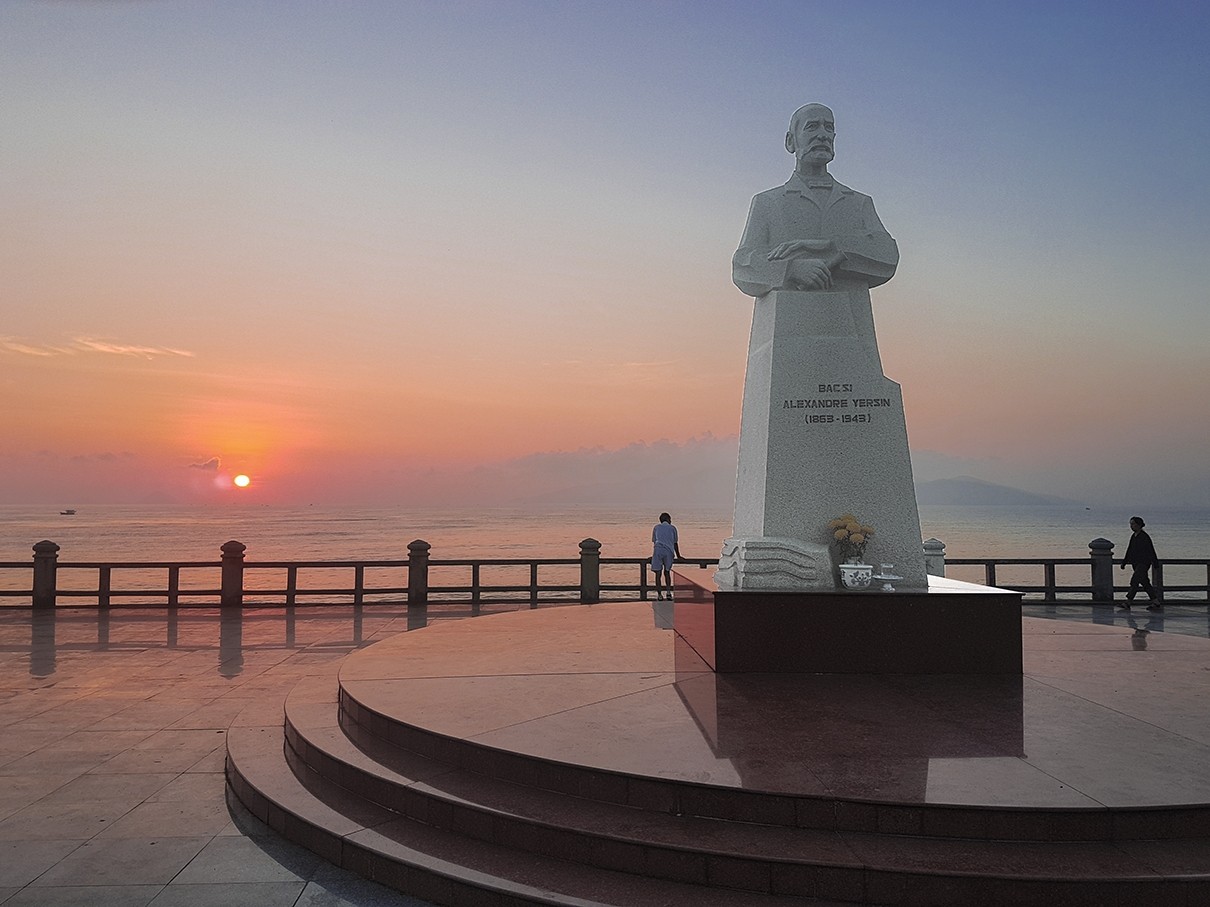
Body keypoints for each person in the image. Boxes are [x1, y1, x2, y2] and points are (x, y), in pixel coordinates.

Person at [732, 103, 899, 301]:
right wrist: (791, 269)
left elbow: (887, 256)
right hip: (788, 323)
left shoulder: (859, 202)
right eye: (812, 126)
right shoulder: (768, 202)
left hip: (850, 325)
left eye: (829, 128)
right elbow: (742, 267)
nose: (823, 135)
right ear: (790, 141)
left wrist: (829, 249)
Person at [1119, 516, 1161, 611]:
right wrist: (1124, 562)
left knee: (1134, 581)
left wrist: (1155, 563)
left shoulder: (1144, 537)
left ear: (1139, 525)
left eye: (1133, 524)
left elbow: (1151, 550)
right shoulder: (1133, 536)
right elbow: (1129, 550)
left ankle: (1128, 602)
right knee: (1145, 583)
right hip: (1136, 563)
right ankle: (1155, 601)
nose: (1131, 526)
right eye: (1130, 524)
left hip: (1144, 563)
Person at [651, 512, 681, 601]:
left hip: (658, 550)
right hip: (669, 551)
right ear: (668, 519)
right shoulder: (672, 528)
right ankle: (668, 593)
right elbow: (675, 543)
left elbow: (655, 541)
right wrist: (678, 555)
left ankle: (659, 595)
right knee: (667, 572)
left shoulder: (656, 527)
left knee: (658, 574)